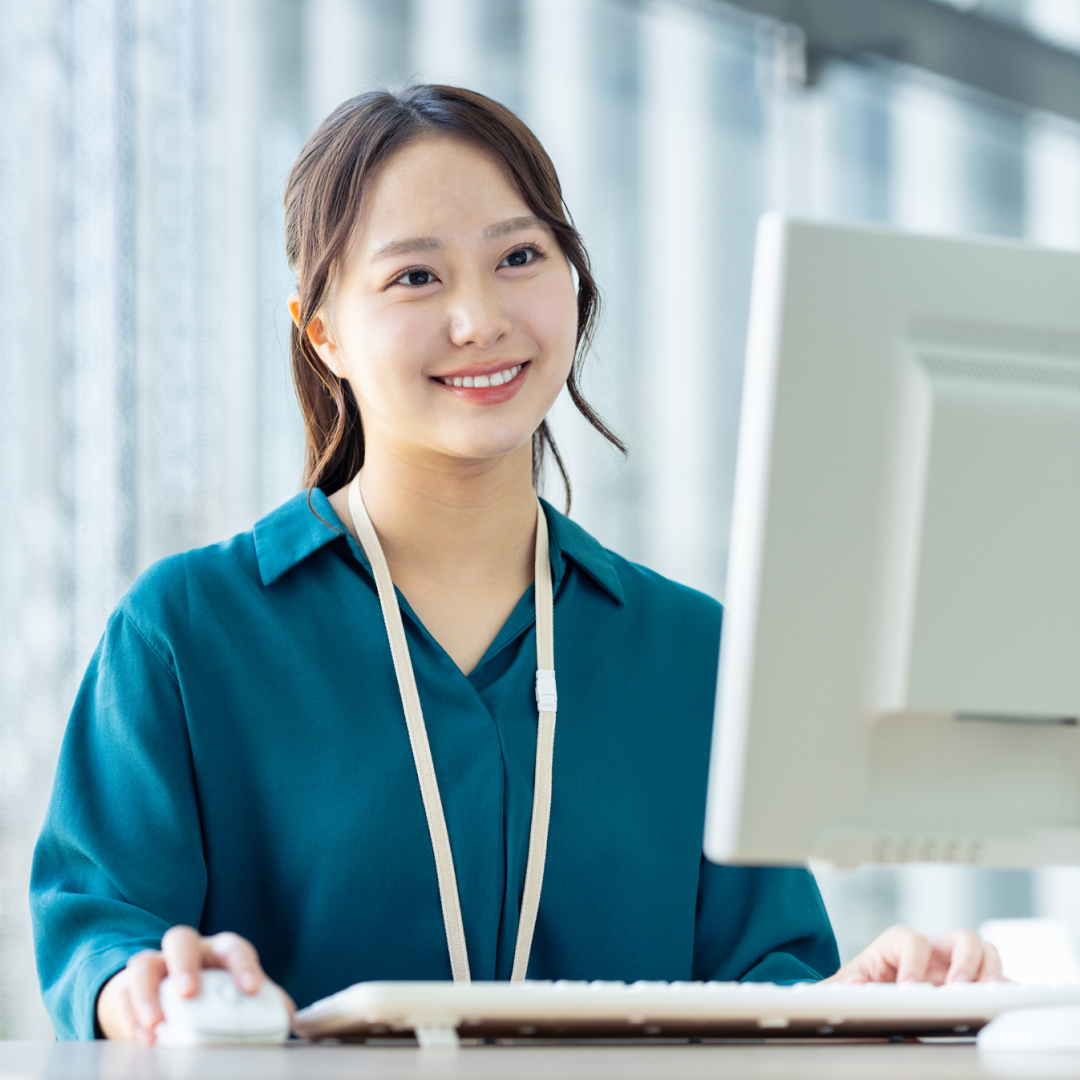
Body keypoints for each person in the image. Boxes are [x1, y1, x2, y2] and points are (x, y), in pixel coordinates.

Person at [30, 85, 1001, 1044]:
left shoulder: (691, 654)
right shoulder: (190, 632)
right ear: (321, 332)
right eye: (416, 277)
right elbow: (102, 930)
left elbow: (762, 981)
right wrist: (145, 986)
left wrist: (856, 1000)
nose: (479, 319)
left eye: (519, 257)